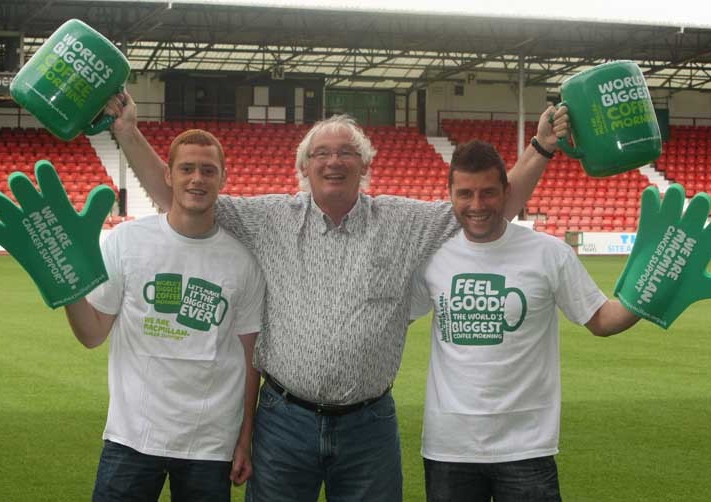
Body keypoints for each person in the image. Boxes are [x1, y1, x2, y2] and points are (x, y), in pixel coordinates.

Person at [104, 91, 569, 502]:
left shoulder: (403, 222)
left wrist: (541, 148)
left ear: (365, 164)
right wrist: (127, 132)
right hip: (285, 420)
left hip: (368, 426)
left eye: (346, 152)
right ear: (304, 166)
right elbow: (183, 198)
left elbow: (489, 206)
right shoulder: (269, 219)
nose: (333, 161)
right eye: (321, 153)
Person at [410, 140, 640, 502]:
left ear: (506, 191)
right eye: (465, 194)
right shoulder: (432, 257)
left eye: (488, 193)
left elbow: (602, 319)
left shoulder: (549, 254)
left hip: (526, 447)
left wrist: (652, 291)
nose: (476, 205)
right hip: (449, 447)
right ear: (450, 194)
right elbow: (390, 317)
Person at [64, 129, 266, 501]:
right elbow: (92, 334)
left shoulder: (243, 262)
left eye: (208, 170)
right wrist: (67, 291)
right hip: (132, 437)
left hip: (209, 444)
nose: (197, 179)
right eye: (186, 168)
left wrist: (245, 437)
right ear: (168, 176)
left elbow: (250, 358)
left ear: (223, 178)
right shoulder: (127, 242)